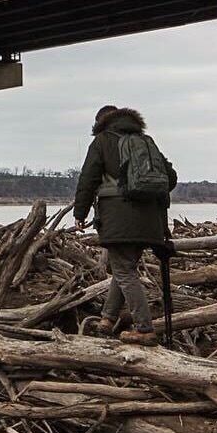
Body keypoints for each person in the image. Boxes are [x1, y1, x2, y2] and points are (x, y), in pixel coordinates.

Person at [73, 105, 177, 346]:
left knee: (123, 270)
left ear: (101, 123)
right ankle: (107, 320)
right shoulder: (145, 141)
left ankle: (144, 328)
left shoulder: (102, 141)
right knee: (124, 267)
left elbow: (88, 178)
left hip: (118, 219)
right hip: (150, 222)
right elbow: (169, 178)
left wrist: (81, 212)